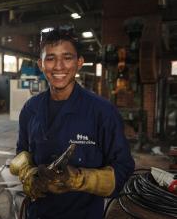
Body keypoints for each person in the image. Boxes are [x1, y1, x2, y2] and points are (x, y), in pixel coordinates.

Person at [9, 27, 135, 219]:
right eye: (50, 58)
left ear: (79, 63)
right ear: (41, 64)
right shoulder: (30, 109)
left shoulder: (102, 112)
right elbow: (22, 153)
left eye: (67, 57)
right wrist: (31, 174)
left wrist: (78, 179)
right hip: (37, 213)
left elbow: (123, 171)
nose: (59, 66)